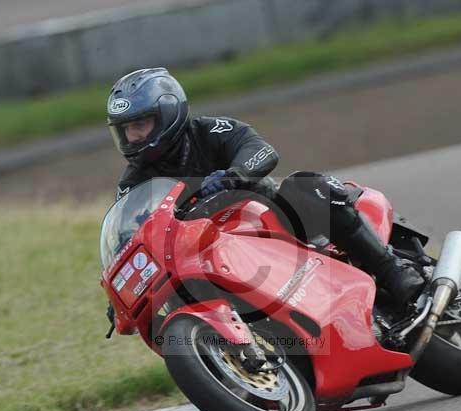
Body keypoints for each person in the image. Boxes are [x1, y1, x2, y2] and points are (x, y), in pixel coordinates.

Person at [107, 68, 424, 308]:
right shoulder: (134, 180)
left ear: (167, 114)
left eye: (139, 124)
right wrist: (121, 290)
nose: (132, 137)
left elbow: (261, 151)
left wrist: (233, 175)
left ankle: (391, 269)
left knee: (306, 184)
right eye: (125, 129)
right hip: (213, 251)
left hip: (271, 220)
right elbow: (128, 235)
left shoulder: (213, 131)